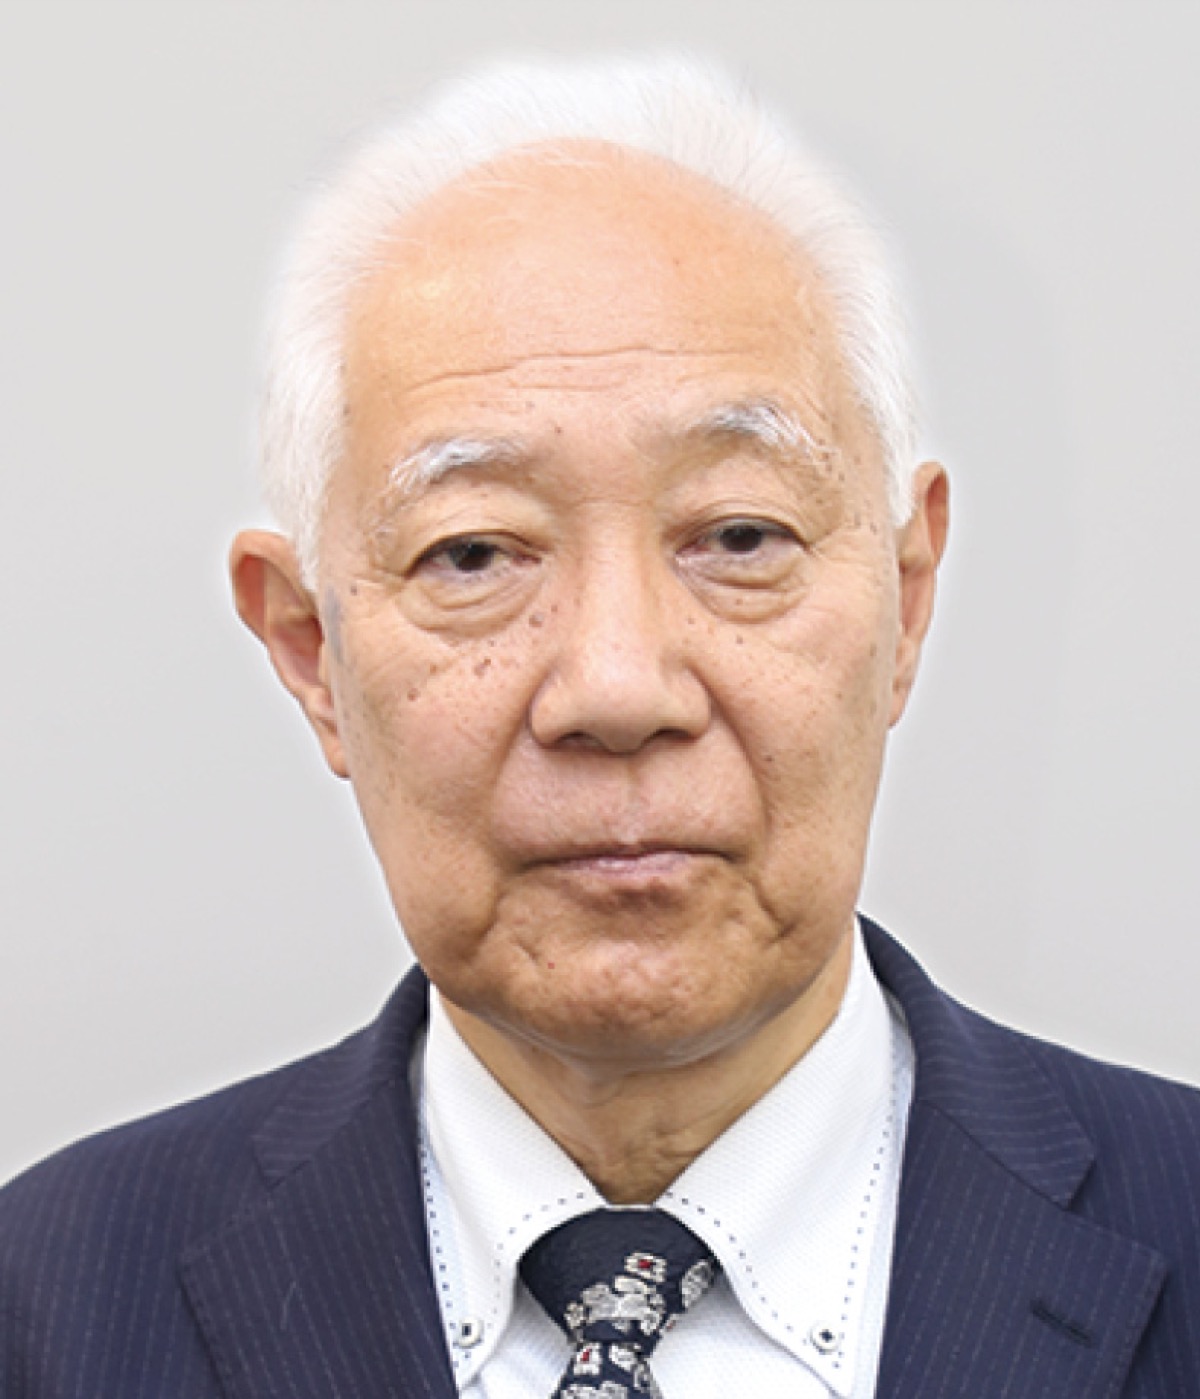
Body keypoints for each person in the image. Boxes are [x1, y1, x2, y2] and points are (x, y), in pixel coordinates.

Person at [2, 54, 1197, 1399]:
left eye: (739, 537)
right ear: (309, 649)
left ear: (906, 602)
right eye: (473, 554)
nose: (619, 688)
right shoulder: (48, 1314)